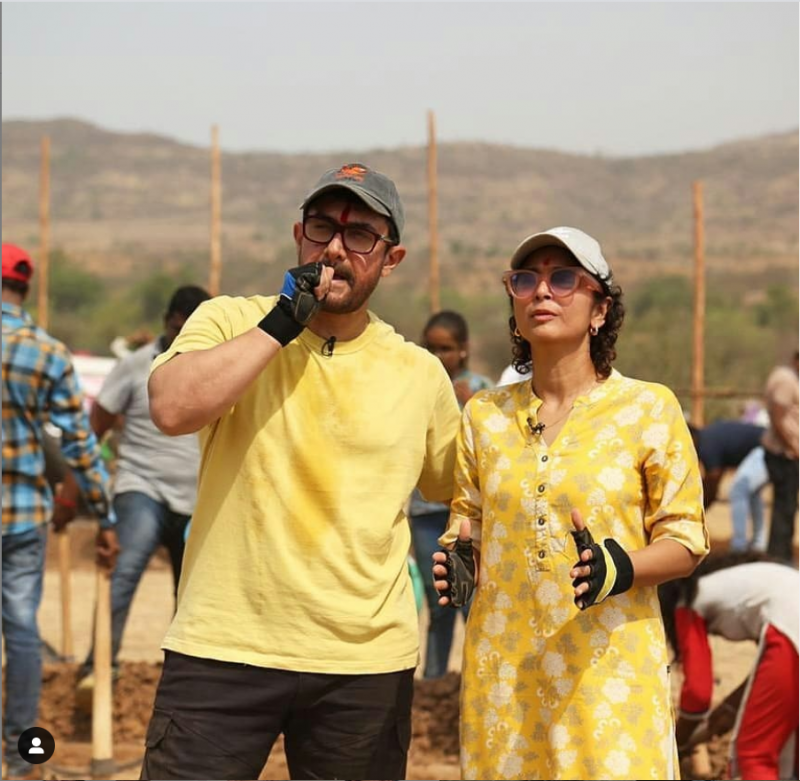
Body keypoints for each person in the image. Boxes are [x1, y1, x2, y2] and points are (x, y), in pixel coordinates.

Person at [139, 163, 462, 781]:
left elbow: (462, 489)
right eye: (322, 227)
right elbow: (173, 408)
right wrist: (283, 324)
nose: (336, 248)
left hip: (363, 666)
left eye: (360, 234)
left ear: (391, 258)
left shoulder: (418, 374)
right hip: (223, 649)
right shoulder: (231, 321)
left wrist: (465, 536)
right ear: (298, 236)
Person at [433, 226, 709, 780]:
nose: (542, 292)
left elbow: (686, 541)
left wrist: (622, 566)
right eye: (525, 280)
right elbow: (468, 527)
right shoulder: (483, 416)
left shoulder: (648, 408)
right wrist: (460, 566)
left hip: (610, 683)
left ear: (600, 308)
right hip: (505, 684)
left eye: (563, 279)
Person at [1, 243, 118, 780]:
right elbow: (79, 444)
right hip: (23, 512)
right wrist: (104, 513)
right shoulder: (47, 352)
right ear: (24, 288)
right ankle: (17, 753)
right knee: (21, 627)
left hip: (24, 510)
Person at [72, 286, 210, 700]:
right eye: (175, 326)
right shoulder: (135, 366)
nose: (181, 334)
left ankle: (188, 682)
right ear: (166, 322)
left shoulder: (213, 367)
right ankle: (98, 666)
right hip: (141, 486)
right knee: (124, 572)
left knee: (194, 594)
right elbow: (94, 427)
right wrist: (71, 491)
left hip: (199, 498)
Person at [659, 554, 798, 780]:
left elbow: (698, 694)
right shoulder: (748, 582)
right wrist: (730, 708)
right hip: (792, 635)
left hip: (791, 629)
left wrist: (678, 742)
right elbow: (775, 674)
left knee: (754, 755)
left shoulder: (689, 600)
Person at [409, 310, 493, 678]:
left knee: (469, 597)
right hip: (425, 509)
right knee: (436, 596)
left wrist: (469, 404)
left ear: (463, 350)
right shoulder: (418, 383)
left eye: (446, 348)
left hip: (467, 511)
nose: (439, 355)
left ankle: (476, 678)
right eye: (432, 347)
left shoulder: (482, 390)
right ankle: (434, 678)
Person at [687, 419, 768, 552]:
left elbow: (713, 481)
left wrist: (698, 510)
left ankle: (739, 546)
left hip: (765, 447)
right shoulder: (708, 439)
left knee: (738, 490)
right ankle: (758, 544)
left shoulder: (706, 445)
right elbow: (713, 482)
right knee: (751, 493)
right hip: (764, 446)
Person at [762, 351, 799, 561]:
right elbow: (778, 416)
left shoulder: (789, 378)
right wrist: (792, 447)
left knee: (786, 505)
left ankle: (780, 554)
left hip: (785, 452)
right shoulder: (786, 380)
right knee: (785, 507)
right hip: (783, 453)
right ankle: (778, 556)